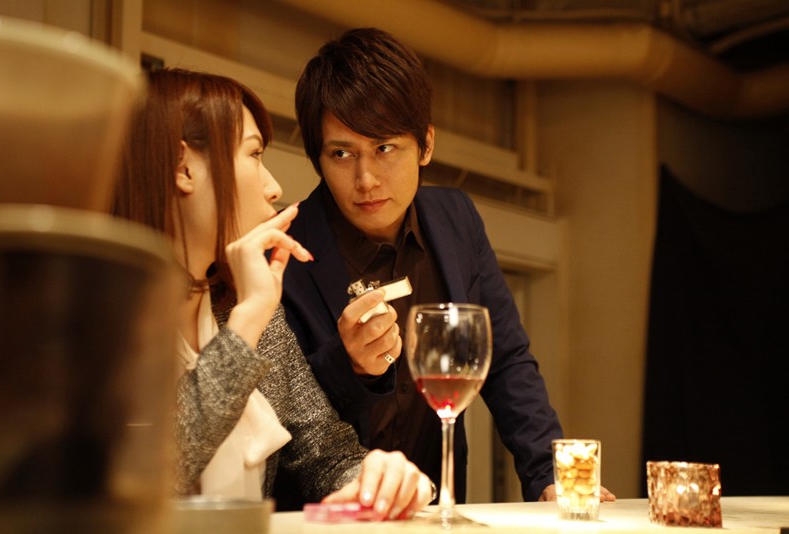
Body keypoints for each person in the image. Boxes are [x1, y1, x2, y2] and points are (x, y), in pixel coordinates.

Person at [281, 27, 615, 504]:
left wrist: (548, 474)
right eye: (341, 154)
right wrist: (348, 365)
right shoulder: (284, 249)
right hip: (326, 516)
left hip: (437, 507)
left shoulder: (455, 220)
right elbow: (281, 416)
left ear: (426, 145)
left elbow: (506, 359)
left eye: (385, 148)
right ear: (317, 158)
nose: (366, 178)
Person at [111, 67, 433, 519]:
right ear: (184, 167)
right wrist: (248, 320)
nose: (273, 187)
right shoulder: (96, 315)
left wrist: (379, 478)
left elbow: (324, 453)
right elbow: (132, 486)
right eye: (254, 154)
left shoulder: (241, 306)